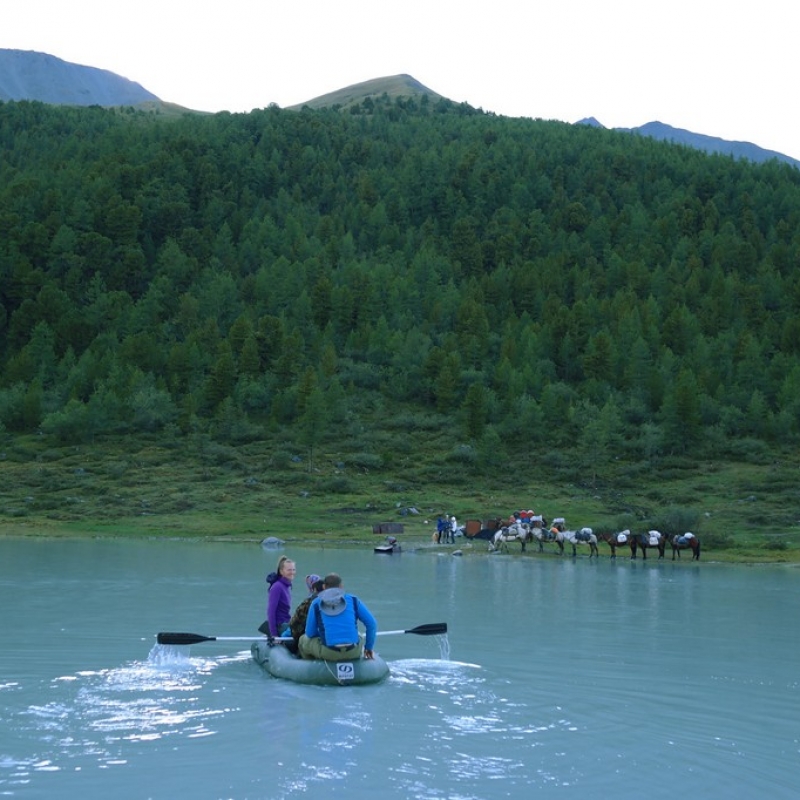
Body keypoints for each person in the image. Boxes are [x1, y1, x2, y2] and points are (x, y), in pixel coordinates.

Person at [299, 572, 377, 661]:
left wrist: (324, 633)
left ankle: (312, 666)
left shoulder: (316, 603)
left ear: (324, 587)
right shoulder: (353, 600)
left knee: (302, 640)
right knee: (359, 635)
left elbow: (310, 633)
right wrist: (368, 647)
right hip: (353, 651)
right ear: (341, 586)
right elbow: (372, 624)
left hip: (328, 652)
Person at [285, 574, 324, 653]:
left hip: (307, 637)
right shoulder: (335, 603)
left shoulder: (308, 603)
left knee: (286, 632)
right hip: (327, 638)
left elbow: (294, 623)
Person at [264, 555, 296, 638]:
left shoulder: (287, 586)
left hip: (287, 623)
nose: (292, 572)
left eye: (293, 569)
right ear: (281, 571)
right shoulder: (277, 587)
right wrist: (274, 634)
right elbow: (271, 612)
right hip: (280, 626)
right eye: (289, 570)